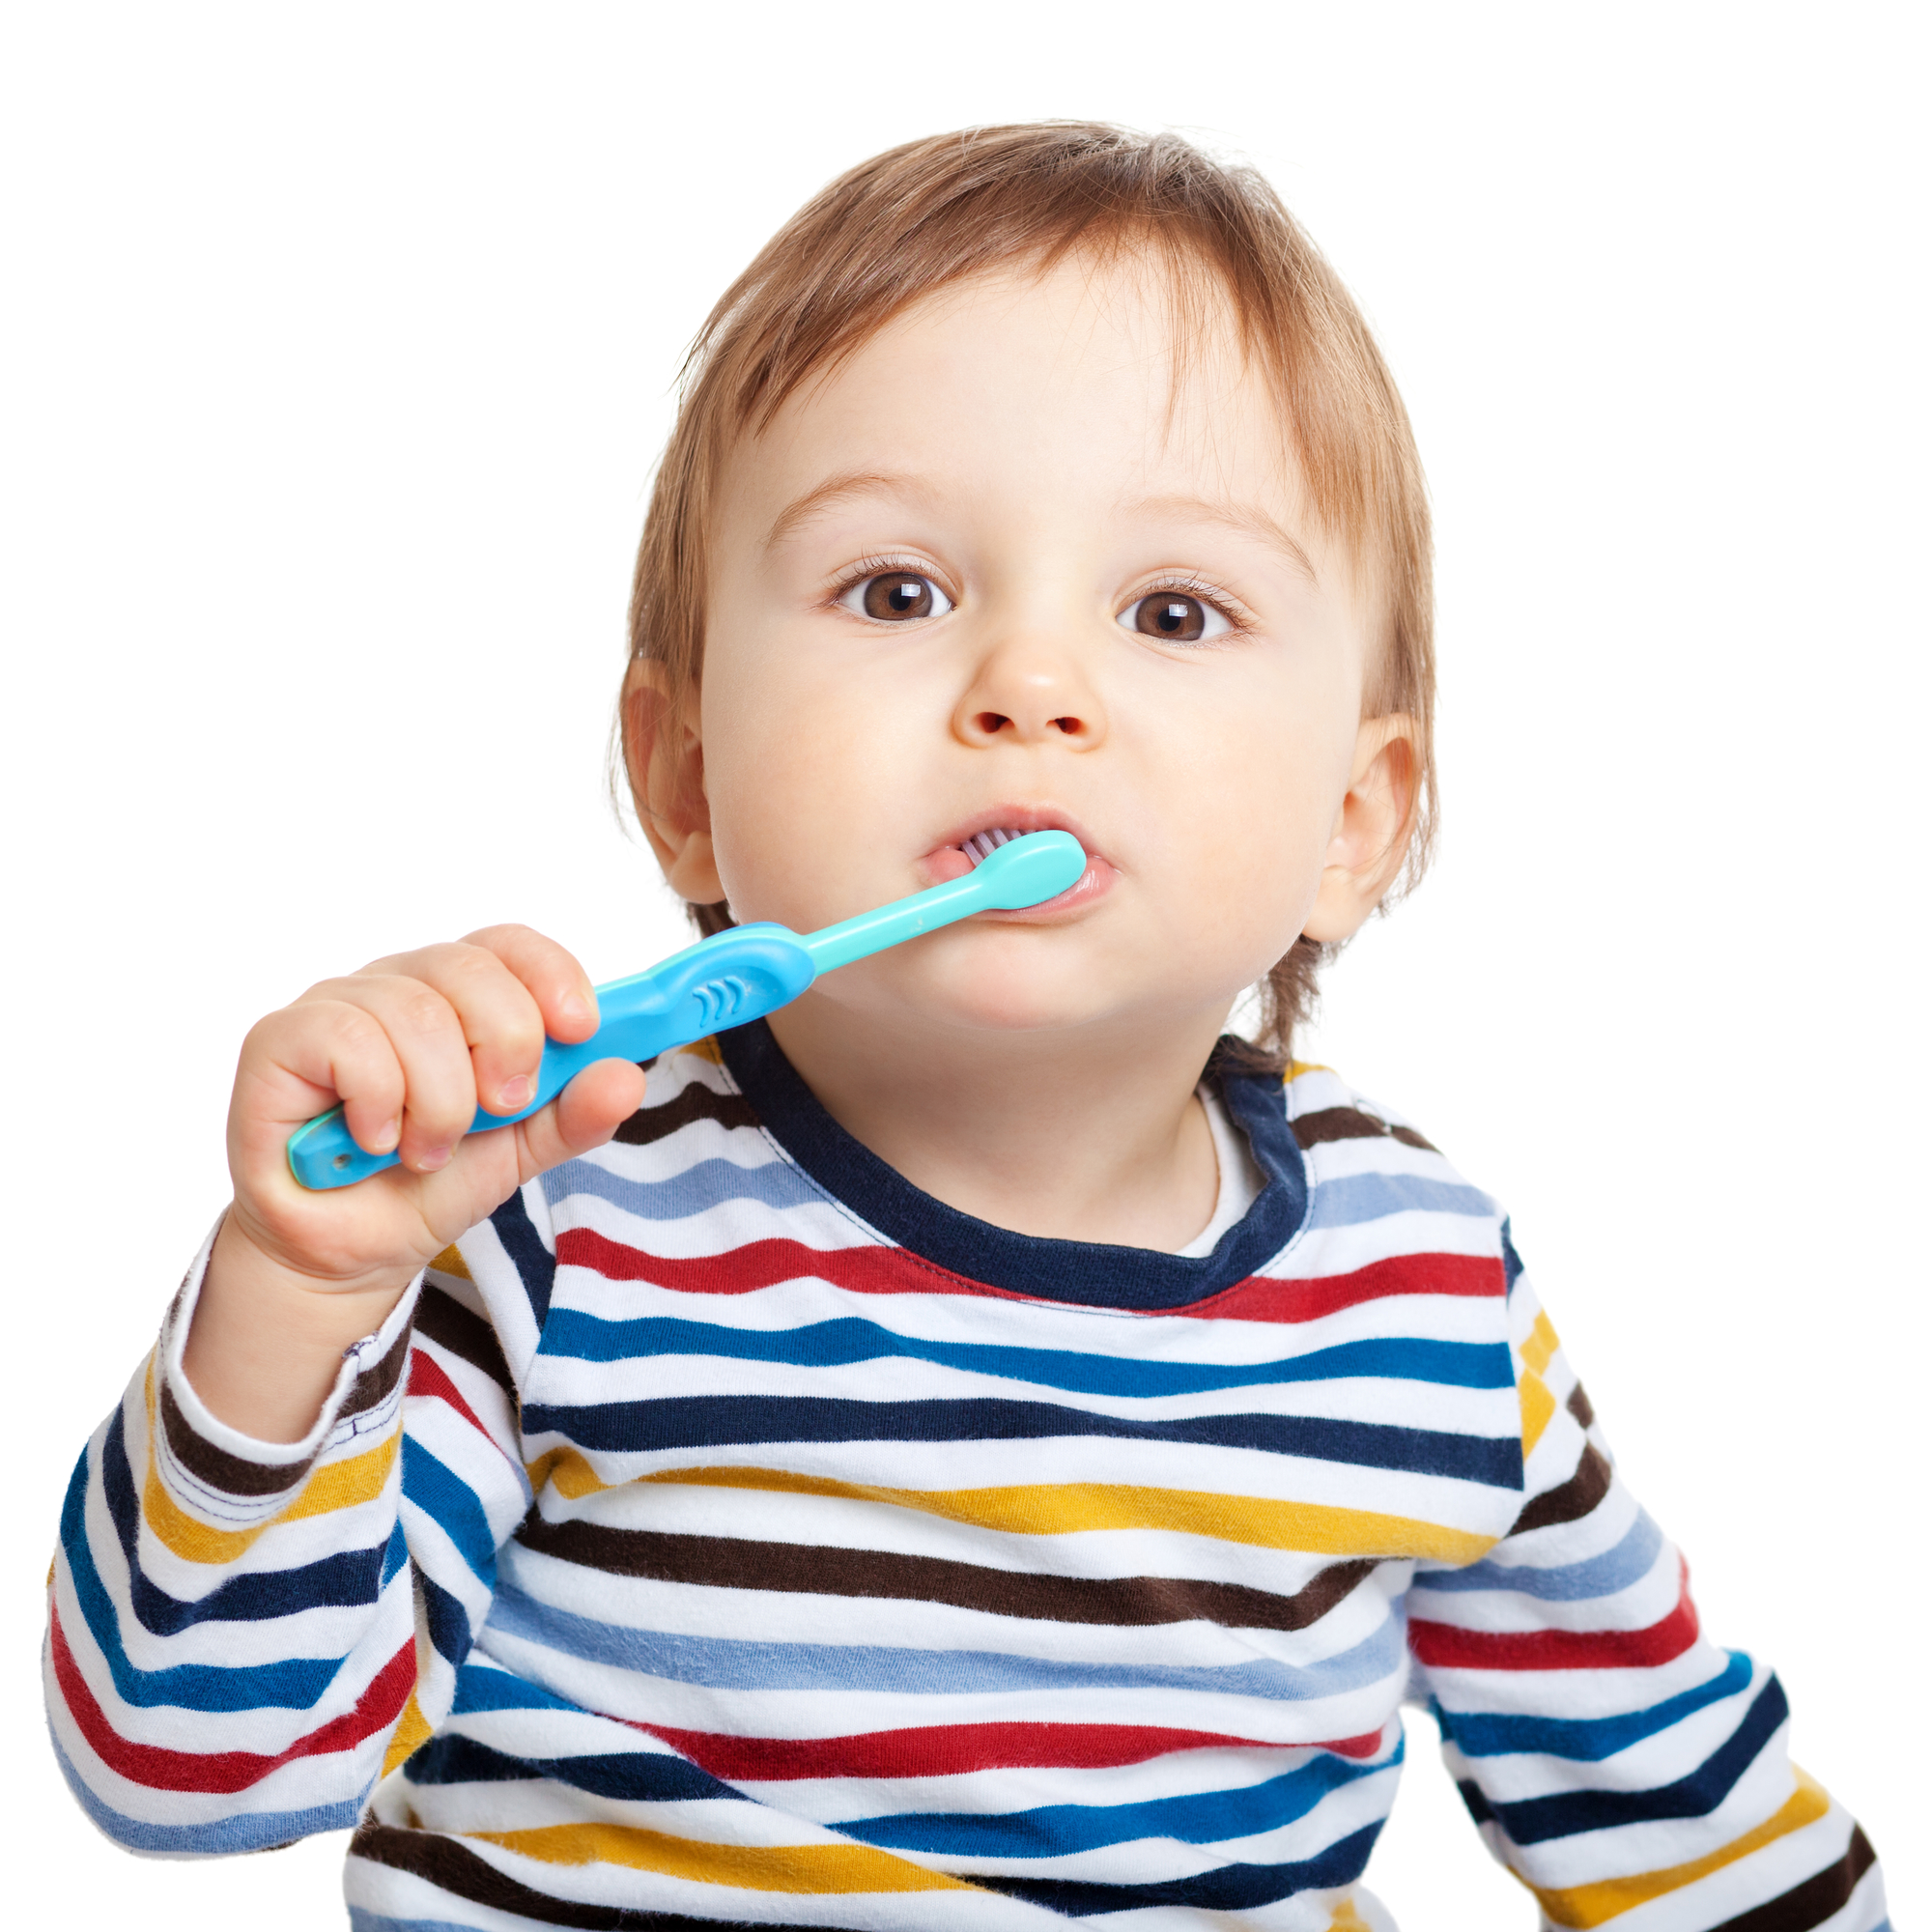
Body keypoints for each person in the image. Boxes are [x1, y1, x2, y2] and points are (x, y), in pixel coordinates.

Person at [43, 124, 1888, 1932]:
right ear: (685, 779)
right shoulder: (562, 1214)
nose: (1029, 685)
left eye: (1173, 609)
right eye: (897, 591)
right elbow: (197, 1773)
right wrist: (299, 1289)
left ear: (1353, 820)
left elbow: (1681, 1817)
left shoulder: (1422, 1292)